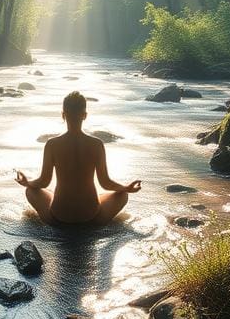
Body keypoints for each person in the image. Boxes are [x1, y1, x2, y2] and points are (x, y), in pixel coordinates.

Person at [15, 91, 141, 225]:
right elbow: (105, 183)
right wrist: (126, 188)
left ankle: (56, 221)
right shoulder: (96, 144)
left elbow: (44, 182)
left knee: (30, 191)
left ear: (63, 115)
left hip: (59, 214)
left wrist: (27, 183)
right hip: (90, 214)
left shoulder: (52, 144)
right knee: (122, 195)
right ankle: (93, 218)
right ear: (84, 115)